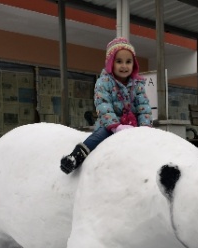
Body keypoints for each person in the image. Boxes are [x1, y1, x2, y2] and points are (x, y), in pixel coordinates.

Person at [60, 37, 152, 174]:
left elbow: (143, 106)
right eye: (119, 61)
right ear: (111, 63)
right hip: (111, 125)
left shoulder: (137, 84)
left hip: (133, 125)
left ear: (134, 64)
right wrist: (116, 126)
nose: (124, 66)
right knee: (99, 136)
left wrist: (144, 127)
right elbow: (103, 105)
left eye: (128, 62)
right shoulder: (103, 82)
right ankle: (75, 156)